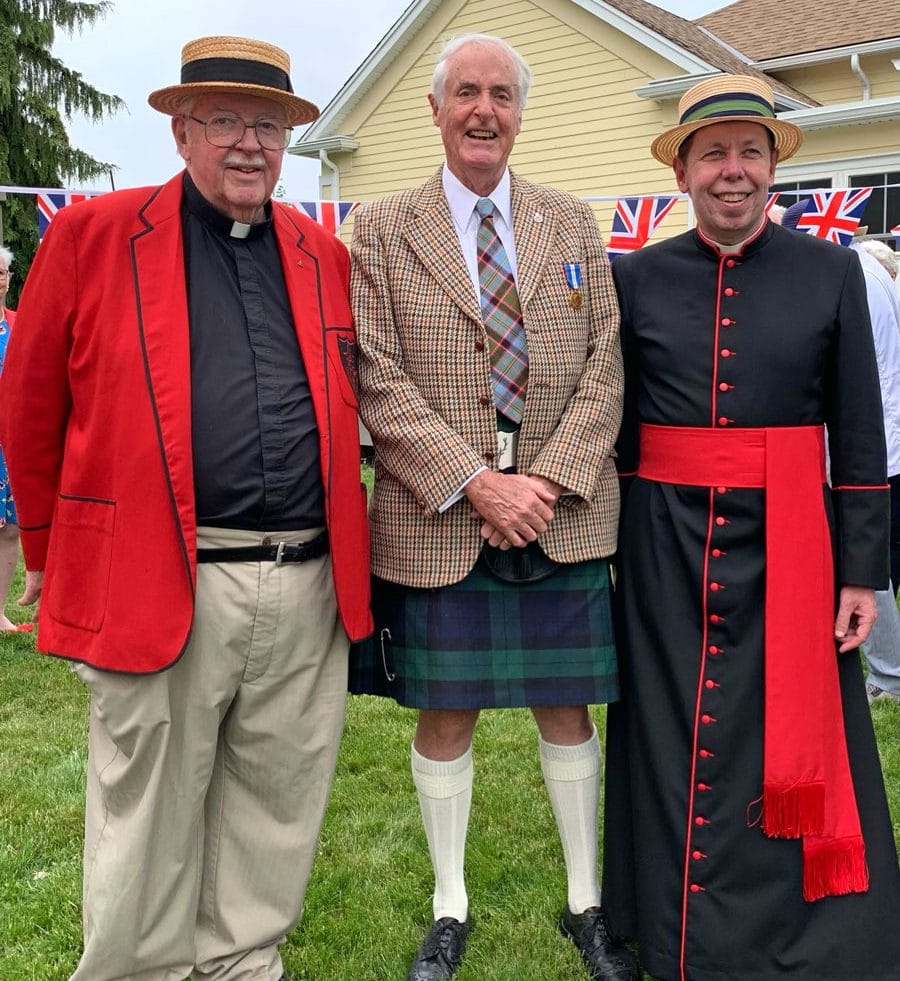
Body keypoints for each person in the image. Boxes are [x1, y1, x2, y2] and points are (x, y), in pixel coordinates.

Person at [0, 36, 371, 981]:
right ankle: (137, 971)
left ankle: (242, 960)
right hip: (162, 574)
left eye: (270, 126)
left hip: (306, 575)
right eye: (226, 121)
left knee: (274, 800)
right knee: (149, 807)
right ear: (180, 131)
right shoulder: (94, 235)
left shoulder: (321, 252)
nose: (251, 144)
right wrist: (45, 546)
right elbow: (31, 402)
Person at [602, 74, 900, 980]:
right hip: (663, 547)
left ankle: (810, 934)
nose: (733, 171)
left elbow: (858, 430)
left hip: (793, 549)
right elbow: (615, 429)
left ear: (773, 168)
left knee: (788, 734)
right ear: (684, 170)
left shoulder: (833, 269)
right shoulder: (637, 277)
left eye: (751, 152)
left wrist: (862, 573)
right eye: (714, 154)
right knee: (668, 730)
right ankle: (666, 924)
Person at [350, 32, 633, 981]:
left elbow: (607, 366)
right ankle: (449, 902)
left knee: (570, 704)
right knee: (446, 713)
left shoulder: (572, 221)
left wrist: (542, 481)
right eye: (465, 92)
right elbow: (378, 379)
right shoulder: (384, 228)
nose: (484, 110)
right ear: (434, 110)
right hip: (441, 516)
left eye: (501, 94)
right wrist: (477, 481)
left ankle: (588, 902)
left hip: (563, 511)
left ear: (519, 111)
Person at [851, 236, 900, 704]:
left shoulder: (857, 280)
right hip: (887, 445)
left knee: (869, 564)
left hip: (872, 450)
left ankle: (889, 675)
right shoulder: (881, 283)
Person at [0, 246, 33, 634]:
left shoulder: (20, 324)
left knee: (9, 528)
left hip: (10, 441)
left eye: (3, 271)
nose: (0, 277)